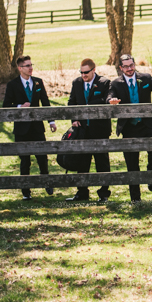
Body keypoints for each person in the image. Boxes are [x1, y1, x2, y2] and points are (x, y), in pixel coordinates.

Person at [108, 54, 152, 202]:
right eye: (126, 66)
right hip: (129, 127)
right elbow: (109, 95)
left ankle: (151, 177)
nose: (130, 69)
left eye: (132, 65)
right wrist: (111, 100)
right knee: (132, 163)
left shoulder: (146, 78)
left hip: (147, 125)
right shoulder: (116, 83)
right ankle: (135, 199)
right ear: (121, 68)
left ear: (134, 65)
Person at [3, 55, 57, 200]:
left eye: (31, 65)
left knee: (42, 158)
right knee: (25, 160)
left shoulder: (38, 82)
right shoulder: (12, 85)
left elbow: (45, 103)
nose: (30, 67)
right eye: (27, 65)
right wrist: (20, 106)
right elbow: (6, 106)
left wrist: (51, 121)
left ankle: (47, 183)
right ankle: (26, 191)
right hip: (22, 129)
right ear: (20, 68)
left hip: (37, 127)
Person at [66, 58, 112, 201]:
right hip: (82, 130)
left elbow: (106, 101)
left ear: (93, 70)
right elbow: (71, 103)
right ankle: (82, 193)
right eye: (81, 72)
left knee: (102, 162)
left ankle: (104, 194)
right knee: (82, 162)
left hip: (100, 129)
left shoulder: (104, 83)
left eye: (86, 72)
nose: (83, 75)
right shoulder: (77, 83)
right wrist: (74, 120)